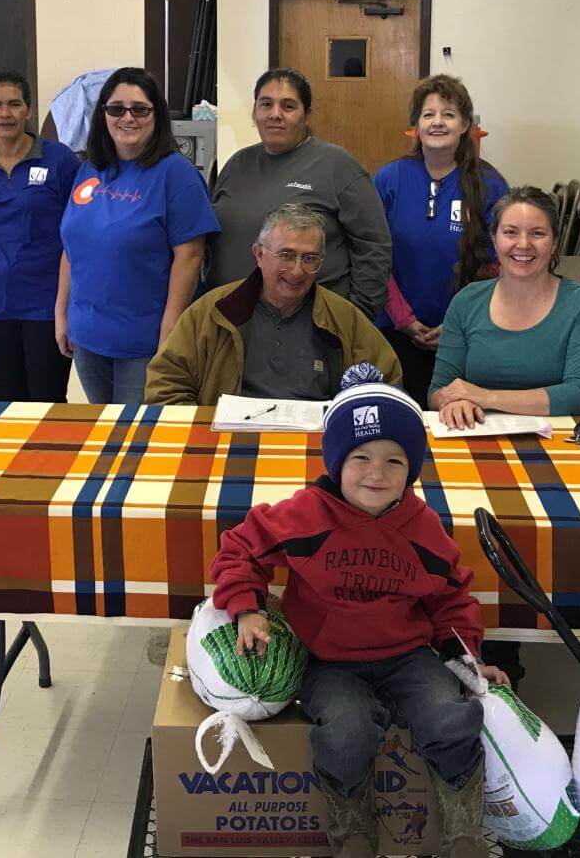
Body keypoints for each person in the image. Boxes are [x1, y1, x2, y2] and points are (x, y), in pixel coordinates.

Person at [210, 366, 510, 858]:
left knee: (451, 719)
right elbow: (241, 547)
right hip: (329, 658)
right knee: (346, 733)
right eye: (361, 457)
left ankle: (463, 830)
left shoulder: (423, 528)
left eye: (395, 461)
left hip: (407, 654)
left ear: (411, 471)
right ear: (335, 461)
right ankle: (351, 827)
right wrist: (245, 607)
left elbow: (450, 595)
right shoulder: (306, 513)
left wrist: (467, 656)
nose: (377, 473)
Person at [56, 67, 220, 404]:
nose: (127, 117)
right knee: (104, 431)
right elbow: (71, 246)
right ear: (103, 115)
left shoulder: (176, 174)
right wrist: (61, 312)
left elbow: (189, 257)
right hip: (87, 336)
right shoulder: (89, 170)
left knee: (136, 440)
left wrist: (170, 331)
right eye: (116, 108)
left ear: (156, 115)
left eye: (140, 109)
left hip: (144, 342)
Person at [144, 205, 402, 405]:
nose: (297, 271)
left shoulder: (345, 319)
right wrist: (203, 432)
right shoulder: (213, 312)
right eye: (286, 256)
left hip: (318, 443)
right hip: (228, 440)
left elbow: (386, 386)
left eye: (310, 258)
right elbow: (165, 385)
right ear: (259, 254)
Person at [206, 67, 391, 320]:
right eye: (266, 104)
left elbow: (373, 244)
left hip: (309, 326)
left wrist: (357, 316)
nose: (275, 115)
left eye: (288, 106)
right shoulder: (236, 164)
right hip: (231, 320)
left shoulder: (338, 165)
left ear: (307, 116)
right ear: (255, 112)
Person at [374, 74, 509, 407]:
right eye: (428, 114)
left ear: (465, 125)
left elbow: (499, 264)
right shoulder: (389, 179)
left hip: (467, 335)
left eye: (448, 114)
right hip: (396, 330)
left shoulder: (490, 184)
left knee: (458, 422)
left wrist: (456, 323)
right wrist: (404, 320)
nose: (437, 122)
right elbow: (372, 256)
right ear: (415, 125)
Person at [0, 67, 80, 401]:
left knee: (48, 401)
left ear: (29, 109)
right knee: (7, 401)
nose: (5, 113)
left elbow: (80, 226)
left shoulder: (59, 160)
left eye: (14, 103)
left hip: (46, 304)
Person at [429, 187, 580, 428]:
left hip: (560, 441)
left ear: (554, 242)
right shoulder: (466, 301)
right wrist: (451, 402)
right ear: (494, 239)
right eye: (510, 232)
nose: (523, 244)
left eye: (537, 233)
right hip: (474, 434)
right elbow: (437, 391)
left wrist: (485, 397)